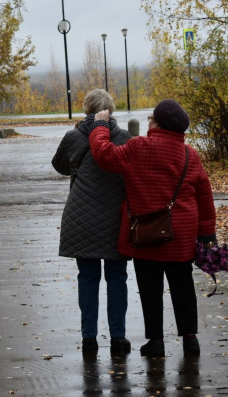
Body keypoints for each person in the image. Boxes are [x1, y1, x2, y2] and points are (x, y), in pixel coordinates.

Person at [88, 99, 217, 357]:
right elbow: (204, 194)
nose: (148, 120)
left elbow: (104, 154)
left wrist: (100, 126)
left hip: (146, 234)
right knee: (183, 286)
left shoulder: (138, 147)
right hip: (181, 236)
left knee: (150, 289)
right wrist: (207, 232)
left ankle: (156, 342)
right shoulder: (190, 155)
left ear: (159, 123)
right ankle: (190, 340)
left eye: (152, 117)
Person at [52, 89, 133, 355]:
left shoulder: (73, 137)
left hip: (80, 218)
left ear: (87, 109)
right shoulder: (124, 139)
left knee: (87, 278)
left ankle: (89, 339)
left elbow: (60, 166)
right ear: (111, 109)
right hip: (115, 220)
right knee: (117, 277)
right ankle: (118, 338)